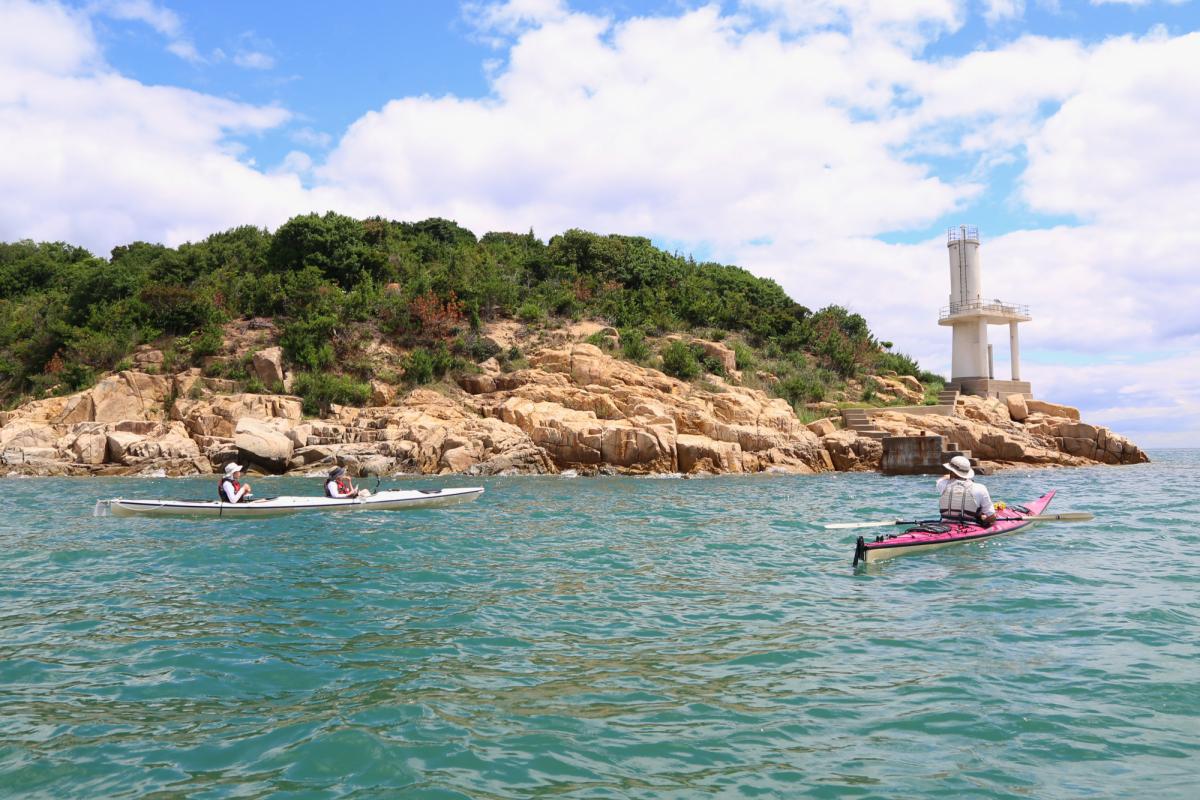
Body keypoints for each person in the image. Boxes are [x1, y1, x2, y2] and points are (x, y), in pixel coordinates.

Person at [936, 455, 995, 525]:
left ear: (951, 471)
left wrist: (951, 475)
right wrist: (982, 518)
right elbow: (992, 517)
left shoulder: (942, 484)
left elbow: (941, 479)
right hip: (970, 527)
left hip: (946, 525)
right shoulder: (980, 488)